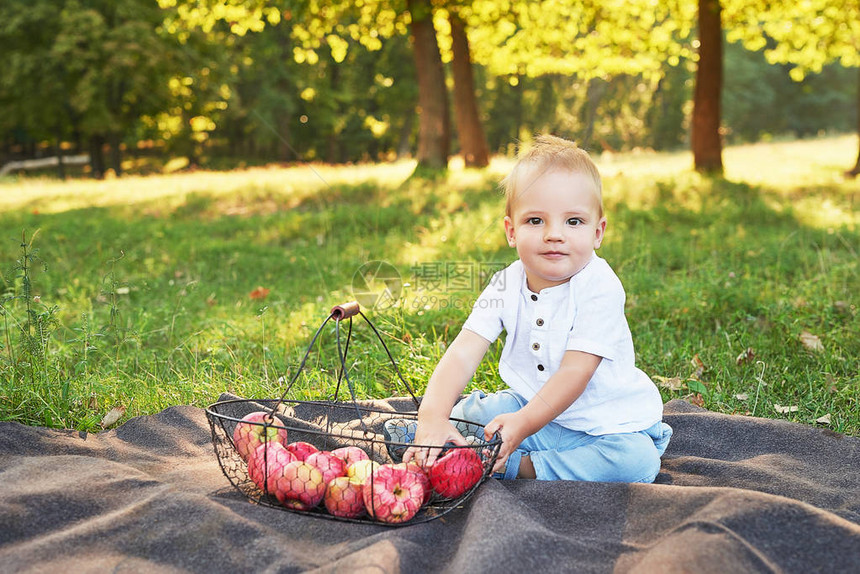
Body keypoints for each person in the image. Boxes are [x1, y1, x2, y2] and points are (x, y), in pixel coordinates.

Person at [397, 134, 672, 482]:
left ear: (598, 232)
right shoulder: (506, 282)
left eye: (573, 221)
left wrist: (521, 427)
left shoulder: (600, 287)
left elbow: (576, 372)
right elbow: (464, 351)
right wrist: (432, 417)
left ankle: (514, 466)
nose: (554, 234)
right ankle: (429, 440)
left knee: (637, 463)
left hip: (603, 427)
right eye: (535, 221)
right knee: (480, 411)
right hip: (527, 409)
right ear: (511, 231)